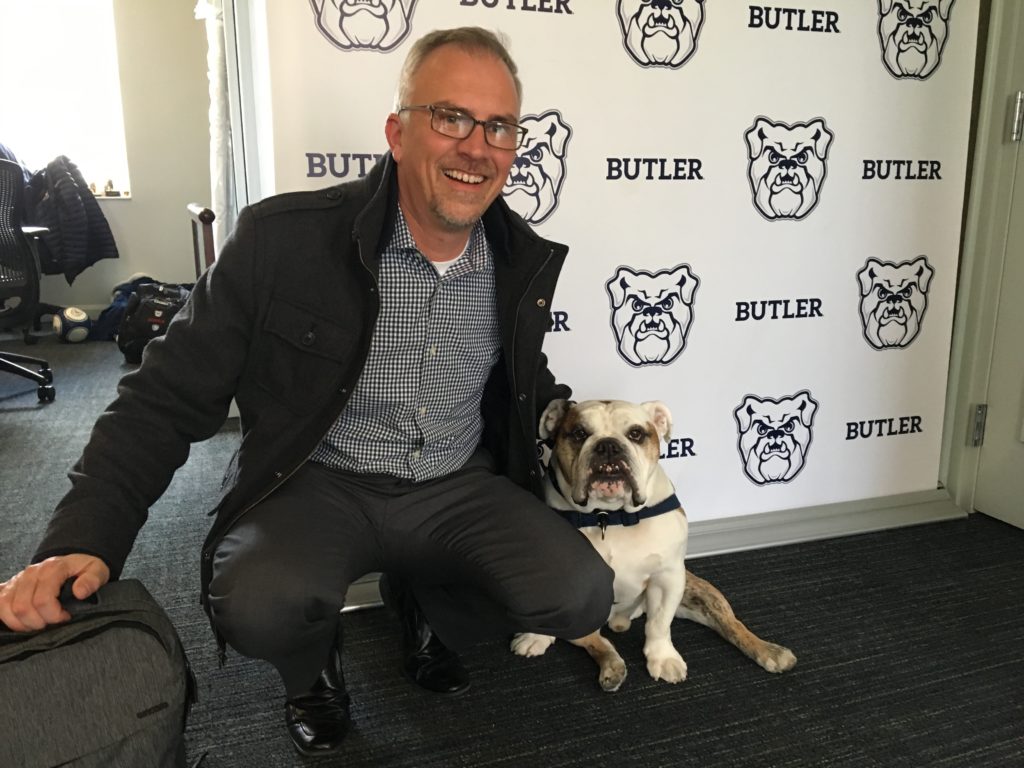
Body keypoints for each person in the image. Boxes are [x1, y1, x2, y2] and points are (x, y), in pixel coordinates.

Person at [0, 26, 614, 757]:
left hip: (453, 483)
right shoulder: (280, 241)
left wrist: (597, 435)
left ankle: (425, 607)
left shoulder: (519, 261)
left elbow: (523, 383)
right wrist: (84, 534)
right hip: (318, 480)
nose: (476, 146)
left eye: (499, 126)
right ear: (397, 130)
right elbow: (161, 398)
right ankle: (311, 668)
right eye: (450, 117)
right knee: (260, 601)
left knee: (579, 591)